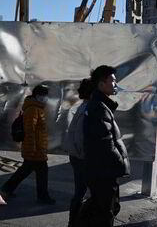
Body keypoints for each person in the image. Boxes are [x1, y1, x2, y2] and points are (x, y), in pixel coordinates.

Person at [83, 65, 130, 227]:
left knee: (105, 208)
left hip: (101, 170)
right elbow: (105, 143)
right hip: (103, 171)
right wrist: (119, 163)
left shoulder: (100, 105)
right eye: (113, 81)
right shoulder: (99, 108)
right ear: (101, 84)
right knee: (105, 212)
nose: (115, 84)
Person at [0, 84, 55, 205]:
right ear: (38, 96)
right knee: (40, 171)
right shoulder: (33, 109)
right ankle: (43, 196)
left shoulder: (36, 108)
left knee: (26, 170)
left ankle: (7, 189)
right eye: (44, 95)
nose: (46, 98)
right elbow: (30, 130)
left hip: (36, 148)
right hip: (35, 149)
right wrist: (32, 149)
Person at [61, 78, 93, 226]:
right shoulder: (88, 109)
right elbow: (80, 136)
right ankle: (75, 222)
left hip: (78, 156)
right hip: (82, 158)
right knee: (82, 192)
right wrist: (85, 156)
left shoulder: (84, 106)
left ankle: (74, 222)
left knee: (80, 192)